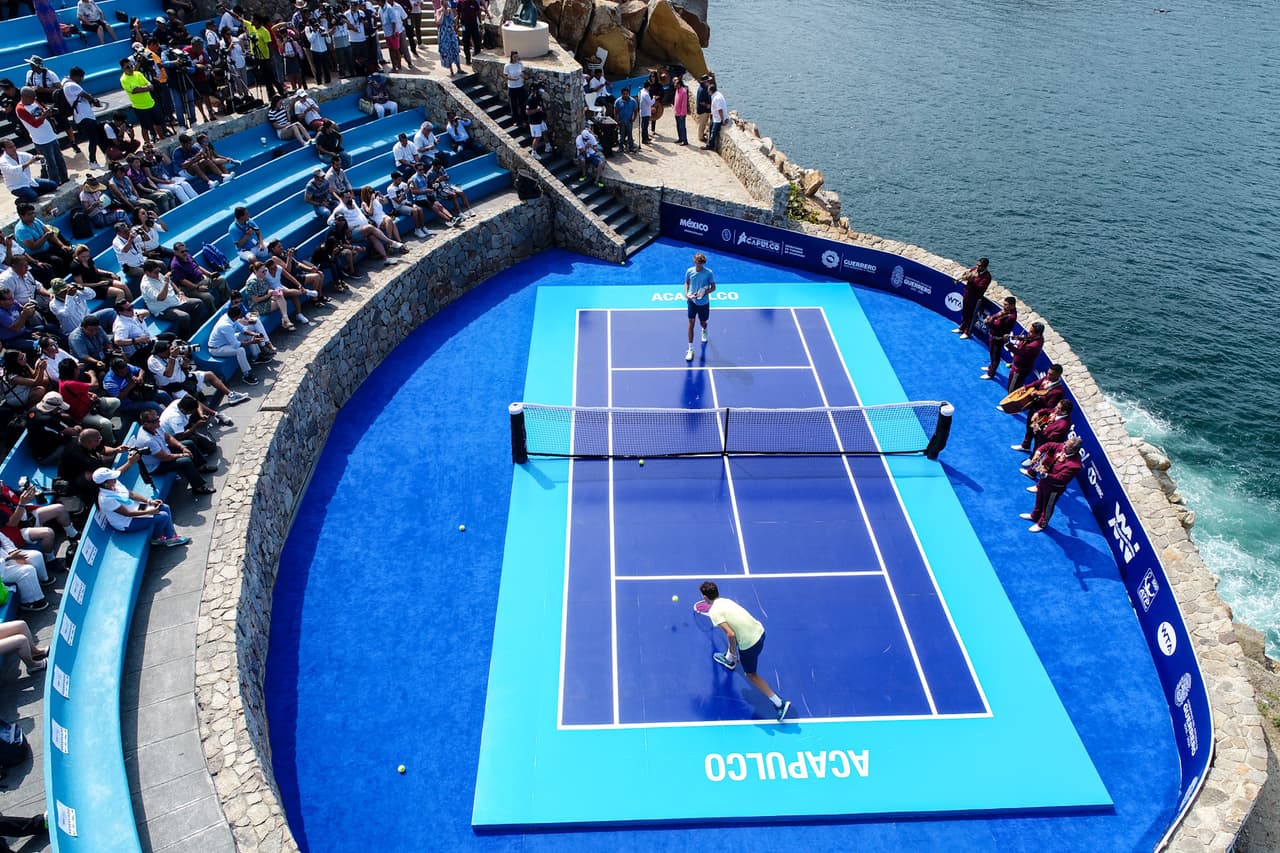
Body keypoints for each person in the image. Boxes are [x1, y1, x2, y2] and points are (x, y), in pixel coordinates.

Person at [698, 581, 791, 722]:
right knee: (735, 647)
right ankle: (729, 660)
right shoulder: (726, 601)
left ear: (705, 598)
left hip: (750, 645)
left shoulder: (714, 612)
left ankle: (780, 704)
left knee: (751, 675)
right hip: (760, 632)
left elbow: (730, 634)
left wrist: (735, 654)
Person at [93, 466, 192, 544]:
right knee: (163, 517)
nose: (115, 478)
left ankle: (171, 536)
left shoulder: (114, 483)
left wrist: (149, 502)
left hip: (136, 509)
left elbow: (131, 494)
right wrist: (149, 511)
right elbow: (127, 514)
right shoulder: (106, 499)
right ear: (105, 483)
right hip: (126, 523)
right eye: (111, 478)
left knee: (165, 507)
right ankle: (158, 539)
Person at [130, 406, 217, 495]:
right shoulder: (148, 440)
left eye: (158, 419)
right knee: (185, 461)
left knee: (188, 444)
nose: (158, 422)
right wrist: (182, 455)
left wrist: (182, 447)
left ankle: (200, 467)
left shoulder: (155, 426)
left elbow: (168, 437)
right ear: (146, 424)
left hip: (164, 451)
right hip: (157, 465)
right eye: (154, 421)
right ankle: (198, 488)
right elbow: (164, 458)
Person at [1020, 436, 1083, 533]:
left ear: (1072, 449)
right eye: (1065, 443)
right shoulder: (1063, 446)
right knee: (1039, 500)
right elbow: (1048, 445)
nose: (1064, 444)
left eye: (1066, 445)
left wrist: (1044, 474)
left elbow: (1060, 478)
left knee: (1047, 506)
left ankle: (1042, 524)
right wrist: (1038, 453)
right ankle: (1034, 516)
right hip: (1044, 482)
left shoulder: (1074, 465)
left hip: (1054, 488)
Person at [331, 189, 403, 264]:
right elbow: (330, 221)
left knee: (373, 237)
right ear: (342, 198)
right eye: (347, 198)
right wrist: (346, 226)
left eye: (350, 196)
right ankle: (391, 242)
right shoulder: (340, 208)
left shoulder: (353, 202)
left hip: (363, 230)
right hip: (353, 232)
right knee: (370, 227)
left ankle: (386, 259)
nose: (350, 199)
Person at [207, 303, 272, 383]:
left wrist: (254, 334)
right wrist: (252, 342)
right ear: (236, 316)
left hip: (227, 341)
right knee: (240, 350)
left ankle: (256, 357)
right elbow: (236, 345)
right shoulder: (226, 325)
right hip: (217, 349)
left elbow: (243, 330)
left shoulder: (230, 317)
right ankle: (246, 375)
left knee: (248, 336)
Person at [1009, 363, 1066, 450]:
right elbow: (1036, 383)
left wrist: (1038, 397)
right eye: (1048, 373)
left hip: (1045, 416)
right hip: (1034, 409)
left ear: (1058, 375)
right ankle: (1025, 445)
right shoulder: (1046, 378)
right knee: (1029, 429)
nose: (1048, 375)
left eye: (1051, 374)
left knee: (1038, 437)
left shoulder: (1058, 391)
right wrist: (1024, 388)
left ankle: (1033, 459)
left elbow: (1050, 407)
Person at [140, 260, 205, 335]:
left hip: (175, 301)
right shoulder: (146, 285)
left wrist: (179, 292)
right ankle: (187, 335)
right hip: (163, 310)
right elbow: (161, 298)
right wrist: (166, 282)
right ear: (147, 273)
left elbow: (170, 282)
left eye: (158, 271)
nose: (158, 273)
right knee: (184, 316)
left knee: (198, 303)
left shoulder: (158, 274)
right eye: (155, 272)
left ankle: (194, 328)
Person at [169, 242, 230, 317]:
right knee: (208, 297)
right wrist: (197, 287)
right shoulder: (175, 265)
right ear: (175, 252)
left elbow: (197, 266)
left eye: (186, 250)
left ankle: (225, 303)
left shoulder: (187, 256)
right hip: (190, 288)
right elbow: (183, 281)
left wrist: (209, 274)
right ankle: (214, 315)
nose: (185, 253)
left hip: (201, 280)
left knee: (221, 280)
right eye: (182, 251)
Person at [61, 67, 104, 168]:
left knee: (95, 137)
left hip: (82, 115)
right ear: (75, 76)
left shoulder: (66, 83)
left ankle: (98, 159)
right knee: (93, 139)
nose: (81, 80)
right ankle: (93, 161)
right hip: (84, 116)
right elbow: (85, 95)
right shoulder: (71, 85)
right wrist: (94, 101)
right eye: (80, 78)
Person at [49, 279, 115, 338]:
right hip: (77, 330)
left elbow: (92, 295)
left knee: (111, 312)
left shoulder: (76, 292)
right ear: (56, 293)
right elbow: (68, 314)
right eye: (62, 291)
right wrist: (69, 296)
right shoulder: (53, 304)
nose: (65, 292)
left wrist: (83, 288)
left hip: (90, 320)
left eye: (65, 289)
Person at [0, 138, 56, 204]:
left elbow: (34, 159)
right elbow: (13, 170)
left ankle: (32, 192)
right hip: (16, 186)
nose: (14, 148)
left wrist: (41, 159)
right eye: (10, 147)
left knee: (53, 185)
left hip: (29, 181)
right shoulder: (3, 161)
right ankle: (21, 200)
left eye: (14, 146)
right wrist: (29, 162)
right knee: (33, 197)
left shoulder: (21, 154)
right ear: (3, 149)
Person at [119, 57, 161, 144]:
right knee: (145, 127)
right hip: (139, 107)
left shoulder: (138, 74)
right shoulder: (123, 79)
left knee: (157, 123)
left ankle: (162, 138)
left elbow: (150, 84)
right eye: (127, 67)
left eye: (131, 66)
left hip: (151, 103)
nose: (130, 68)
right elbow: (134, 90)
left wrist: (145, 87)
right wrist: (147, 88)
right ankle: (148, 144)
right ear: (123, 69)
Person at [683, 252, 715, 361]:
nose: (699, 265)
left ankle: (704, 329)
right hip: (692, 301)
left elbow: (713, 287)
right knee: (691, 323)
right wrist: (687, 293)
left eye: (701, 264)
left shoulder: (708, 273)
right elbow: (687, 282)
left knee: (702, 322)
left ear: (703, 263)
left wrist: (703, 294)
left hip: (703, 303)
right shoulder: (689, 271)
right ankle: (690, 349)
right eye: (697, 263)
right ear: (694, 261)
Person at [952, 257, 992, 339]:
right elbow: (967, 275)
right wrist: (964, 276)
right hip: (967, 295)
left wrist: (971, 279)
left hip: (975, 298)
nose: (977, 267)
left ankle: (967, 332)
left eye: (980, 266)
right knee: (965, 312)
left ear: (985, 267)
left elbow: (980, 288)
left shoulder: (987, 277)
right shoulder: (974, 269)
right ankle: (961, 328)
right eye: (977, 265)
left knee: (971, 315)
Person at [980, 296, 1017, 380]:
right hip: (993, 336)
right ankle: (991, 367)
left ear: (1012, 306)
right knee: (992, 354)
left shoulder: (1010, 317)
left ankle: (991, 373)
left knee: (995, 356)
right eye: (1004, 304)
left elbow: (998, 325)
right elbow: (996, 317)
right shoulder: (1006, 311)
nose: (1004, 306)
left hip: (999, 338)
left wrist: (988, 322)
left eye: (1006, 305)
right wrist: (990, 318)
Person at [385, 171, 430, 237]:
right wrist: (404, 193)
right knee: (415, 211)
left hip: (407, 203)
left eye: (401, 179)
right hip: (399, 207)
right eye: (398, 180)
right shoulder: (390, 189)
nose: (400, 181)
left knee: (419, 209)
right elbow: (398, 201)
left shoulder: (402, 184)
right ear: (393, 179)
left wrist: (411, 183)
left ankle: (423, 227)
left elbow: (411, 188)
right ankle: (417, 230)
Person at [1004, 321, 1044, 394]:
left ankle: (1009, 403)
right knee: (1010, 384)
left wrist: (1007, 343)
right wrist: (1014, 337)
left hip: (1020, 369)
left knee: (1013, 389)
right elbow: (1027, 338)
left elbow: (1018, 352)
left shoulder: (1033, 346)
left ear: (1037, 334)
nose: (1029, 333)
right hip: (1016, 365)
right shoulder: (1037, 337)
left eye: (1031, 332)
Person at [575, 122, 605, 186]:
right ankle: (584, 175)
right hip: (583, 153)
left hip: (591, 153)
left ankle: (597, 180)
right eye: (585, 139)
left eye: (587, 138)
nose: (587, 140)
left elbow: (596, 150)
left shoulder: (591, 137)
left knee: (601, 163)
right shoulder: (578, 139)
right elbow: (581, 152)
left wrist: (592, 146)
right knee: (582, 160)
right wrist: (586, 147)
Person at [436, 3, 462, 75]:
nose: (446, 4)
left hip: (451, 33)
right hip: (444, 34)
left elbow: (452, 20)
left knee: (455, 49)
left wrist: (455, 19)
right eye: (444, 3)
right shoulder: (438, 11)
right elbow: (439, 22)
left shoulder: (450, 10)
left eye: (446, 3)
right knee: (447, 51)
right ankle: (451, 70)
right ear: (441, 3)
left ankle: (459, 68)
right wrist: (442, 13)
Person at [457, 0, 485, 65]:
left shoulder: (473, 2)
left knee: (477, 40)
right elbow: (459, 13)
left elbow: (477, 12)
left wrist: (480, 23)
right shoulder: (460, 2)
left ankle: (478, 56)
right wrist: (458, 23)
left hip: (474, 23)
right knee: (466, 42)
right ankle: (468, 59)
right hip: (465, 24)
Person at [525, 84, 549, 158]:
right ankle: (534, 152)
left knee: (545, 131)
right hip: (534, 122)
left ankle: (548, 146)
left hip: (540, 119)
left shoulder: (538, 98)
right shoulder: (530, 99)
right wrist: (537, 110)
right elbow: (527, 112)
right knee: (537, 137)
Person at [613, 87, 638, 153]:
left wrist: (634, 118)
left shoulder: (633, 101)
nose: (625, 95)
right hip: (621, 121)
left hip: (629, 121)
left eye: (627, 94)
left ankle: (631, 148)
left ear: (629, 94)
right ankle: (621, 148)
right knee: (622, 135)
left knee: (630, 135)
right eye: (624, 94)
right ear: (621, 94)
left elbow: (635, 110)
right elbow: (615, 111)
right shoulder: (618, 101)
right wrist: (616, 120)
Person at [704, 82, 727, 150]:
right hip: (715, 117)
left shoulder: (717, 98)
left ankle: (710, 146)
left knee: (713, 132)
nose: (707, 91)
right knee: (711, 130)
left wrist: (722, 120)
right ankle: (710, 144)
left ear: (711, 91)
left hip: (718, 119)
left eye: (708, 90)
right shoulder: (716, 94)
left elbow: (720, 110)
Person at [694, 74, 712, 143]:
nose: (709, 82)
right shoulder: (702, 90)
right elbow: (701, 101)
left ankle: (701, 135)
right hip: (703, 110)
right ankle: (701, 137)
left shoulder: (702, 88)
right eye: (707, 81)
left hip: (702, 110)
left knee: (702, 123)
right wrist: (707, 105)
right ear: (705, 82)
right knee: (702, 124)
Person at [672, 76, 689, 145]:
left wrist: (682, 114)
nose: (674, 85)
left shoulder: (683, 92)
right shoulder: (677, 90)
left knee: (682, 127)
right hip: (677, 113)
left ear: (679, 84)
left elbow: (684, 104)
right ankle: (680, 138)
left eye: (676, 84)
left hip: (681, 114)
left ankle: (685, 140)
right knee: (678, 126)